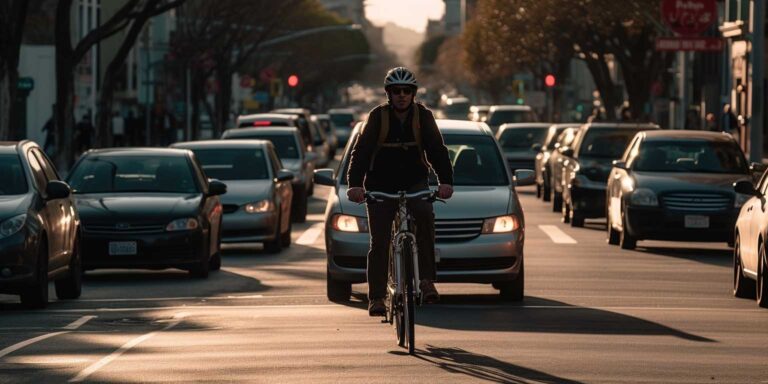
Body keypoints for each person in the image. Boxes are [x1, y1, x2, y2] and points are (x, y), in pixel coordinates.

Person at [346, 67, 454, 317]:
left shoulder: (423, 116)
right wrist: (355, 185)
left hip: (415, 181)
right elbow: (360, 153)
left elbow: (437, 150)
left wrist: (445, 181)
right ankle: (376, 297)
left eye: (407, 91)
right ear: (388, 94)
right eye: (396, 91)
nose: (402, 95)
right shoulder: (377, 117)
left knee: (425, 216)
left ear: (414, 93)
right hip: (380, 185)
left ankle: (426, 281)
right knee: (380, 241)